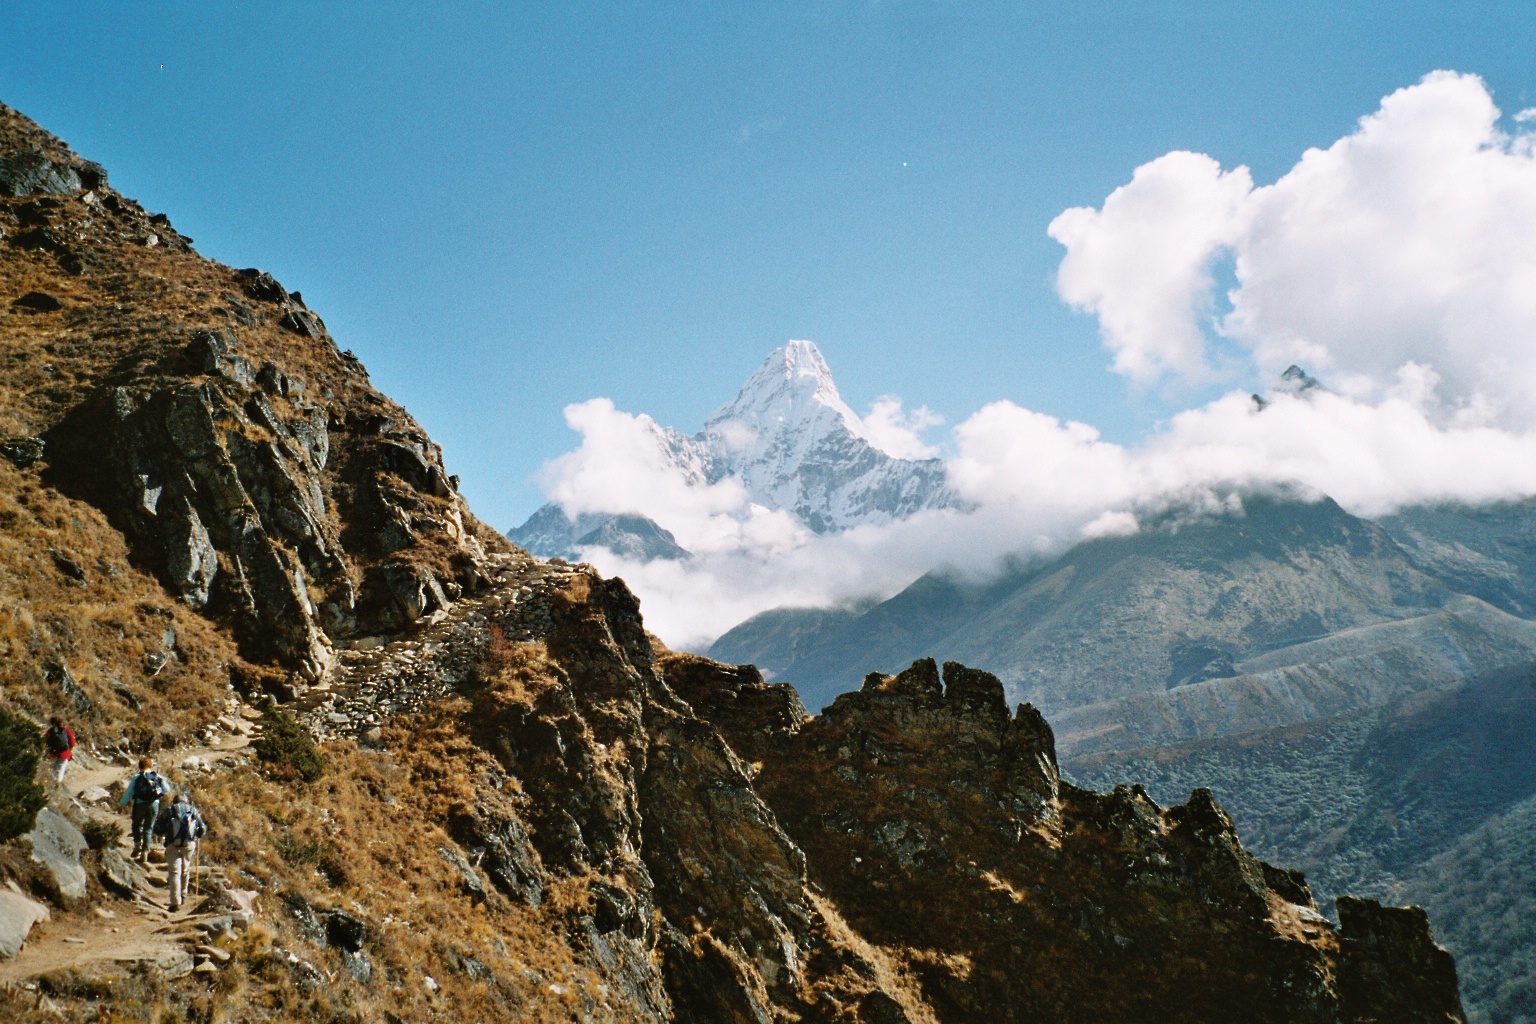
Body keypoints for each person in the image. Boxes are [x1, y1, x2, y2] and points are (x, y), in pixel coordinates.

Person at [153, 792, 207, 912]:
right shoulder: (193, 810)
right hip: (189, 845)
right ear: (186, 801)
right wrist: (196, 835)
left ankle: (175, 903)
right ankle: (184, 894)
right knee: (185, 868)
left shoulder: (169, 810)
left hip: (173, 844)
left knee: (174, 873)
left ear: (174, 801)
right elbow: (203, 829)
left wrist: (164, 833)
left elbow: (157, 829)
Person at [118, 757, 167, 862]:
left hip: (140, 804)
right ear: (150, 766)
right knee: (148, 828)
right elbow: (166, 789)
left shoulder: (137, 777)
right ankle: (145, 853)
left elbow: (129, 793)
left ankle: (137, 845)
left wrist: (121, 805)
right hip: (154, 804)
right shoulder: (157, 776)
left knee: (136, 825)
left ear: (139, 766)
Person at [43, 717, 76, 785]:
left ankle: (49, 786)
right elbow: (73, 743)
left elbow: (45, 741)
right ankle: (57, 788)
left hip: (52, 754)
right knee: (59, 773)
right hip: (64, 754)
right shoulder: (66, 730)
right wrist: (69, 751)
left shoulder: (50, 731)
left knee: (51, 772)